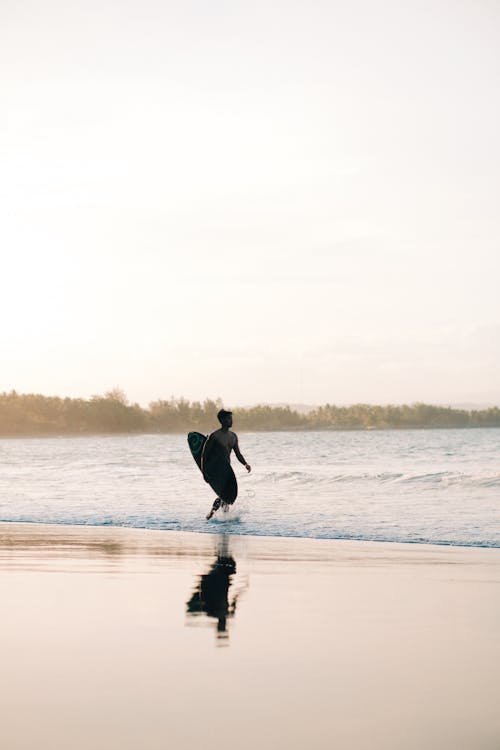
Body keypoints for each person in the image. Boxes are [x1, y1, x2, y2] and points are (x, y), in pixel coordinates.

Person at [204, 409, 251, 520]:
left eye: (231, 418)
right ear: (222, 420)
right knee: (224, 494)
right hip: (216, 469)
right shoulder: (214, 436)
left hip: (227, 469)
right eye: (228, 418)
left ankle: (222, 517)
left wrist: (245, 464)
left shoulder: (233, 437)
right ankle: (213, 515)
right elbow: (205, 455)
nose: (231, 420)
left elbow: (238, 454)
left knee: (226, 496)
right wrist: (205, 473)